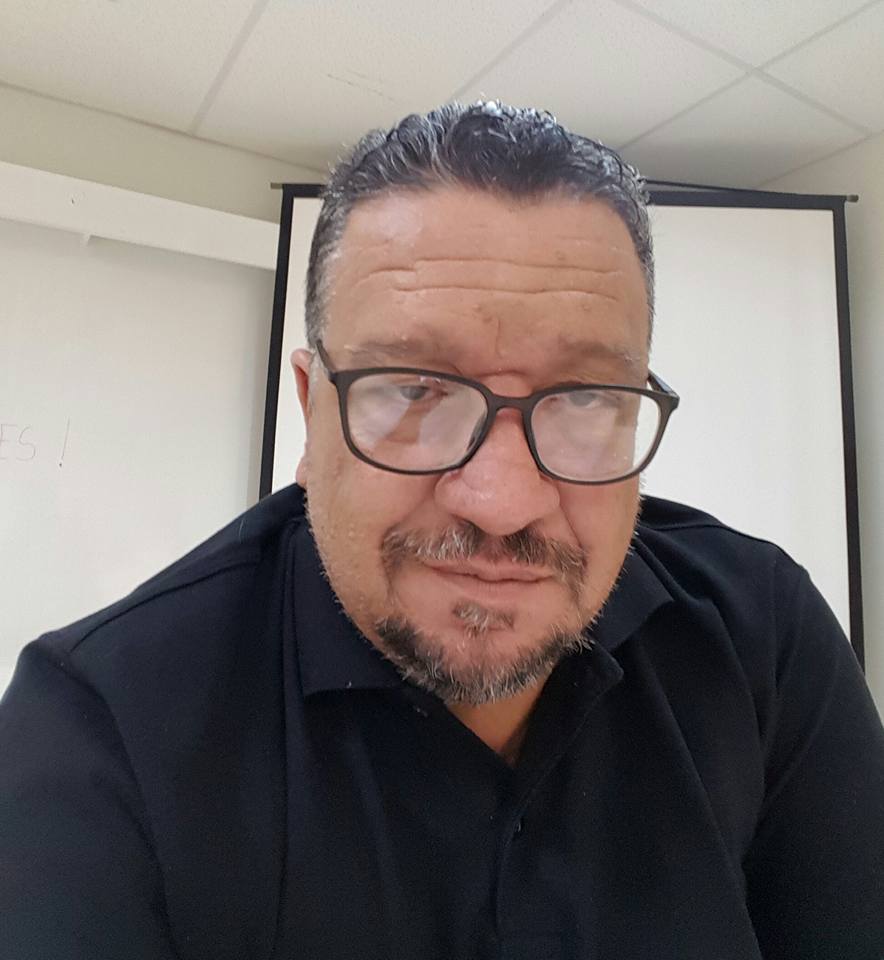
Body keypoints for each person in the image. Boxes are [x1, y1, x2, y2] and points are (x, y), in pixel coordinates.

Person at [1, 101, 882, 960]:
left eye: (584, 397)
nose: (502, 502)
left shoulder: (763, 635)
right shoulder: (101, 727)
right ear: (311, 412)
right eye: (415, 389)